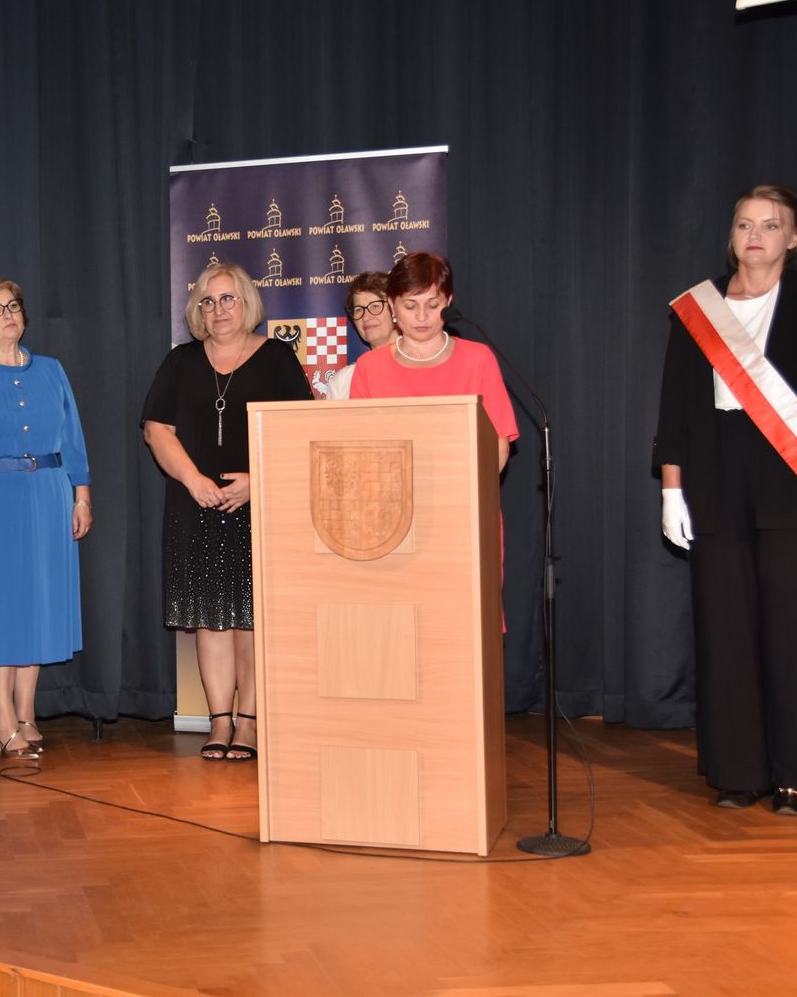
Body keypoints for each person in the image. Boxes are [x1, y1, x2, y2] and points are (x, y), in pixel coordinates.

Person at [654, 184, 797, 815]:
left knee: (795, 630)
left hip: (792, 479)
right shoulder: (699, 308)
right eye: (745, 224)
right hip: (715, 473)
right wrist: (672, 489)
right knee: (726, 626)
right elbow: (674, 406)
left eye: (771, 225)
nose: (755, 235)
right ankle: (739, 772)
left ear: (794, 238)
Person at [141, 263, 310, 761]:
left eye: (228, 298)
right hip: (194, 504)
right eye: (208, 301)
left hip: (260, 505)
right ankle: (219, 722)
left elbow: (299, 429)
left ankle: (250, 724)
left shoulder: (277, 357)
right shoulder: (181, 361)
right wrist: (194, 480)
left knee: (252, 620)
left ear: (247, 303)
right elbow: (156, 429)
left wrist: (258, 481)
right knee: (211, 620)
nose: (218, 310)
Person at [0, 277, 92, 758]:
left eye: (13, 305)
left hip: (47, 495)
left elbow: (73, 440)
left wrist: (81, 497)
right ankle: (1, 715)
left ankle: (27, 712)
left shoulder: (51, 370)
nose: (7, 314)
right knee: (0, 605)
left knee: (38, 602)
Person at [349, 253, 519, 470]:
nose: (422, 316)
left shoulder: (478, 359)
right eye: (410, 306)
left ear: (448, 301)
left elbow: (498, 446)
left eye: (432, 305)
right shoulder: (369, 367)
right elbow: (359, 447)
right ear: (392, 305)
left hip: (463, 488)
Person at [325, 271, 395, 400]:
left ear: (396, 309)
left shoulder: (420, 366)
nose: (366, 317)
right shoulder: (342, 381)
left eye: (375, 306)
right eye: (358, 310)